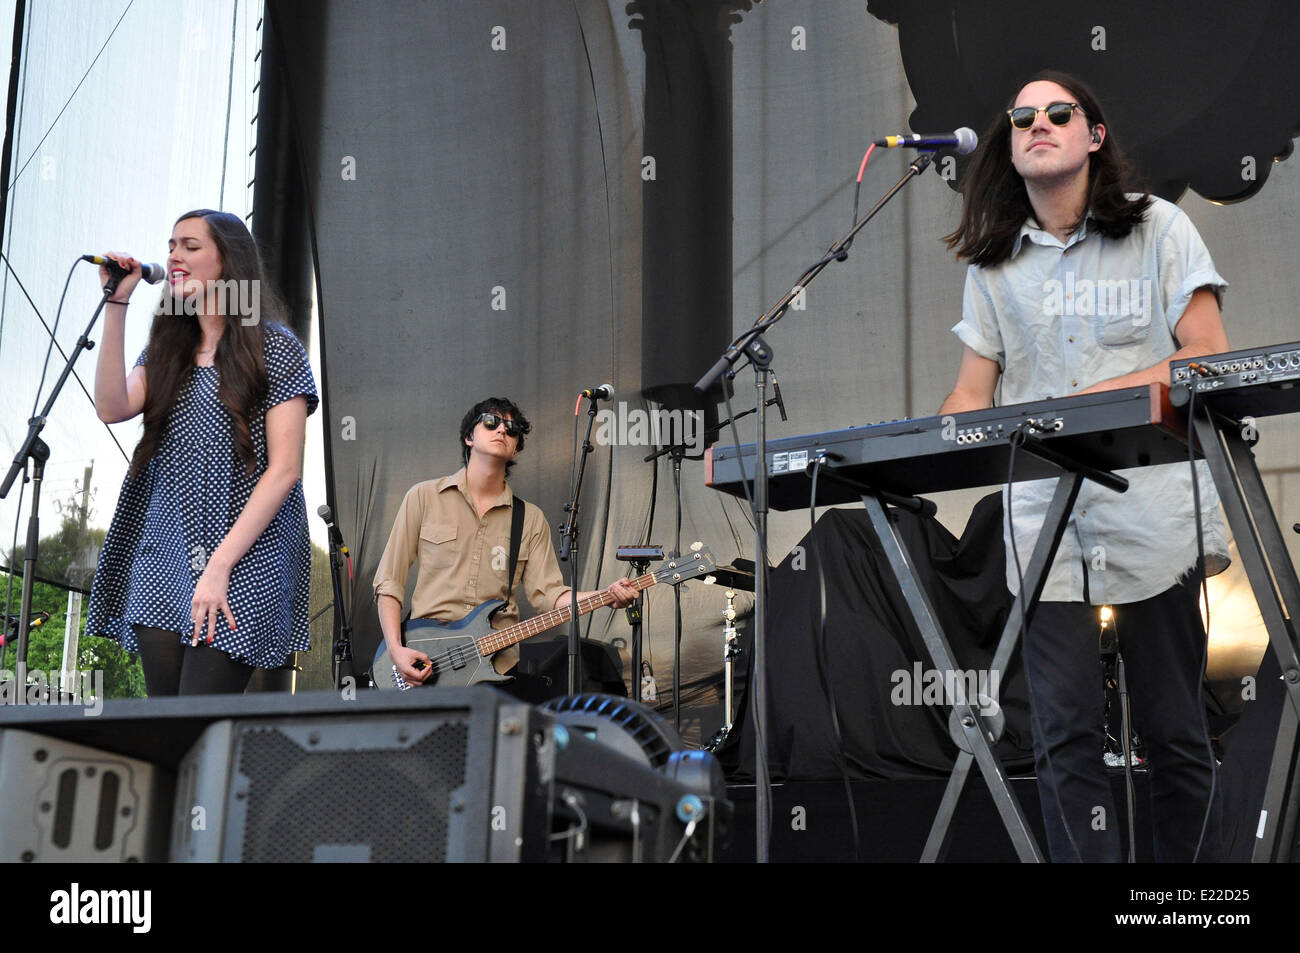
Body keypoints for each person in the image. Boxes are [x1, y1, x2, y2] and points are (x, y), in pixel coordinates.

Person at [939, 71, 1230, 861]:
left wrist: (1097, 396)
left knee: (1174, 730)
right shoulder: (994, 266)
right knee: (1064, 735)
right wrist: (942, 430)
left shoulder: (1160, 229)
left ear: (1093, 135)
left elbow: (1207, 353)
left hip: (1152, 512)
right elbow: (971, 392)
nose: (1037, 124)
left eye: (1057, 113)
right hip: (1046, 527)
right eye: (1021, 117)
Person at [86, 209, 318, 696]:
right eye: (171, 245)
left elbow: (284, 471)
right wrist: (116, 303)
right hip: (167, 548)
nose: (174, 256)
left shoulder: (275, 348)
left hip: (245, 553)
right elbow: (111, 406)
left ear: (228, 261)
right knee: (164, 718)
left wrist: (218, 567)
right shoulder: (168, 348)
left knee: (198, 714)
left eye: (190, 247)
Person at [373, 397, 636, 694]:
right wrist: (395, 649)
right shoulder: (423, 497)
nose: (502, 430)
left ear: (516, 448)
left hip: (495, 669)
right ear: (469, 437)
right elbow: (389, 582)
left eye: (512, 428)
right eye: (491, 422)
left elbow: (549, 596)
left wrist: (606, 596)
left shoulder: (530, 519)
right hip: (428, 660)